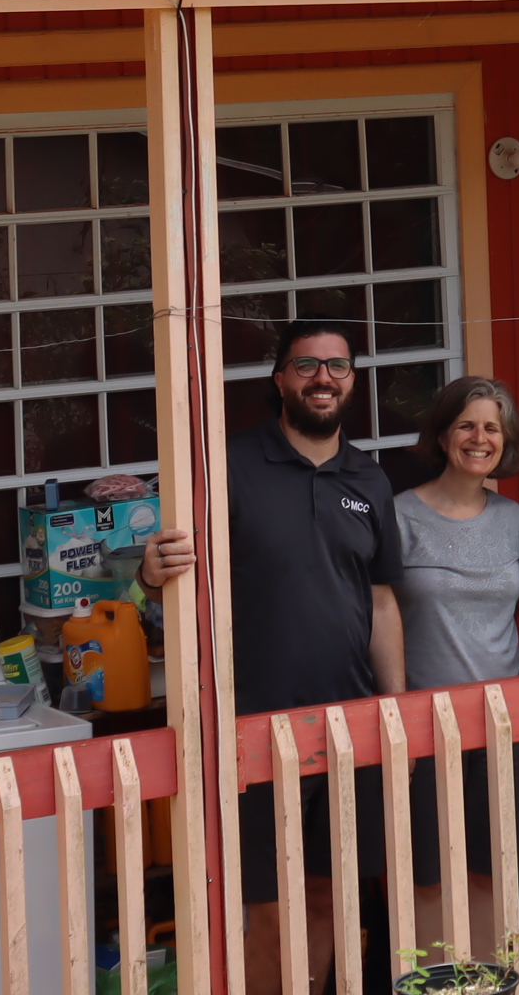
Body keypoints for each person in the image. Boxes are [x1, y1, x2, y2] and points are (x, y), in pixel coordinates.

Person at [143, 323, 402, 995]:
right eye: (306, 365)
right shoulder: (228, 466)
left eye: (337, 365)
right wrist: (148, 572)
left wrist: (393, 712)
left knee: (325, 896)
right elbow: (173, 569)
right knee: (264, 906)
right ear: (280, 379)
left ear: (353, 378)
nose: (324, 378)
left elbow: (379, 600)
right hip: (252, 728)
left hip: (347, 727)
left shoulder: (369, 478)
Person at [392, 376, 519, 955]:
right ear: (444, 433)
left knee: (492, 868)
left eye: (492, 428)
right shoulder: (399, 515)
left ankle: (488, 981)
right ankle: (437, 985)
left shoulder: (515, 521)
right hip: (427, 720)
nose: (480, 439)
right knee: (427, 874)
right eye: (467, 425)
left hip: (505, 722)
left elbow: (508, 614)